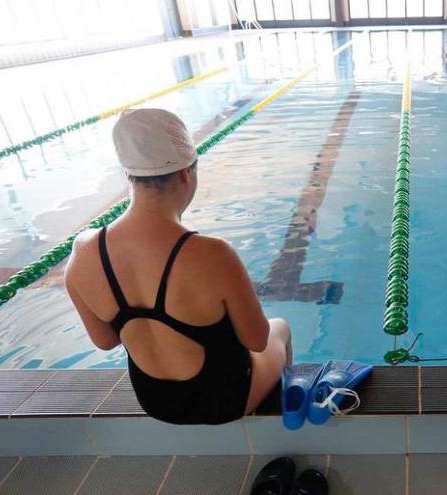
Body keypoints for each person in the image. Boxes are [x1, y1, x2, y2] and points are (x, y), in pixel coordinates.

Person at [64, 108, 292, 424]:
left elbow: (105, 341)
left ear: (129, 176)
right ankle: (279, 430)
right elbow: (257, 340)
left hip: (155, 401)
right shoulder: (213, 254)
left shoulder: (84, 251)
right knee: (280, 328)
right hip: (225, 401)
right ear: (186, 174)